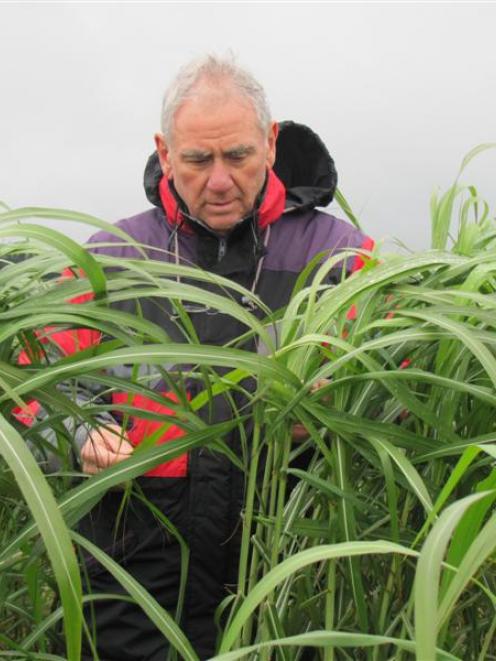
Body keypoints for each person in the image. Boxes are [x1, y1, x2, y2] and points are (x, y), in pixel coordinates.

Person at [77, 54, 373, 660]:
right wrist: (77, 430)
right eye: (196, 160)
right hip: (136, 569)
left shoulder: (344, 257)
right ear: (165, 153)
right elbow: (35, 382)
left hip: (290, 560)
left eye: (236, 156)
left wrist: (334, 405)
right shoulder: (107, 258)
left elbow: (397, 387)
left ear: (269, 143)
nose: (218, 180)